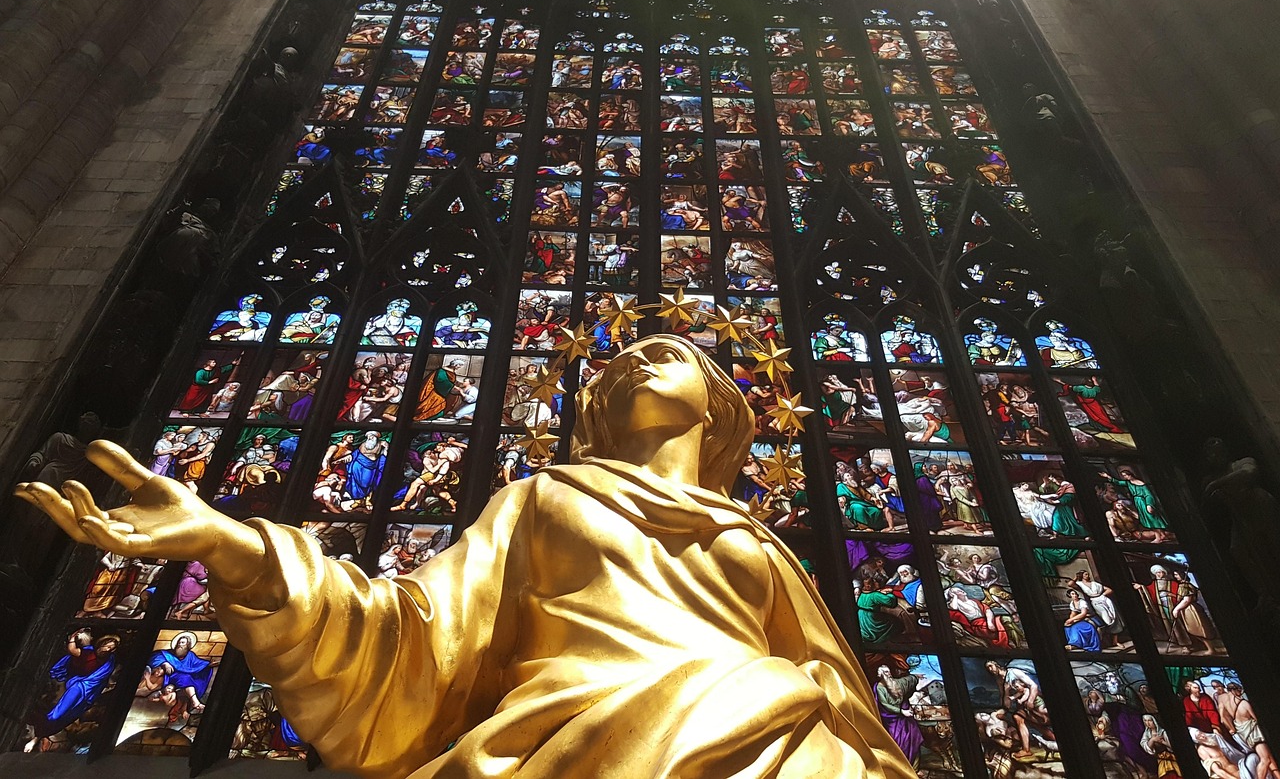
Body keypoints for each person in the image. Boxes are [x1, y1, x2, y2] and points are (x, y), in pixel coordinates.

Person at [18, 335, 913, 778]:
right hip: (573, 750)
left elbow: (842, 694)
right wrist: (235, 545)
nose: (632, 364)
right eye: (619, 363)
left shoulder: (758, 541)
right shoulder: (545, 498)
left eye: (662, 354)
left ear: (720, 407)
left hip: (780, 745)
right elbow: (410, 639)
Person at [27, 629, 121, 748]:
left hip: (89, 691)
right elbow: (73, 651)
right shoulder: (88, 652)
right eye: (108, 646)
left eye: (112, 648)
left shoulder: (109, 661)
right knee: (58, 714)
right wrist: (72, 638)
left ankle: (40, 735)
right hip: (79, 686)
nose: (108, 650)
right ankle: (37, 737)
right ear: (102, 644)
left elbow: (101, 679)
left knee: (69, 714)